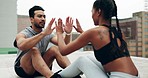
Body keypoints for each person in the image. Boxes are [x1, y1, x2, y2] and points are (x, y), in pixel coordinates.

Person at [51, 0, 140, 78]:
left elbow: (63, 51)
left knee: (82, 61)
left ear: (99, 12)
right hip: (135, 75)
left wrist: (59, 33)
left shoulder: (95, 32)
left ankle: (56, 77)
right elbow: (106, 46)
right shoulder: (118, 32)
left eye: (92, 11)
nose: (91, 15)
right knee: (89, 58)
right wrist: (82, 32)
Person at [13, 5, 73, 78]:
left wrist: (68, 33)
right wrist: (43, 34)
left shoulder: (47, 33)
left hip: (40, 68)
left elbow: (64, 44)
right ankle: (52, 76)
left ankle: (73, 72)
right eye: (39, 16)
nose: (43, 19)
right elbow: (21, 45)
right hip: (24, 69)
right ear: (31, 19)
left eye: (44, 16)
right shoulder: (24, 33)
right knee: (34, 50)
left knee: (55, 49)